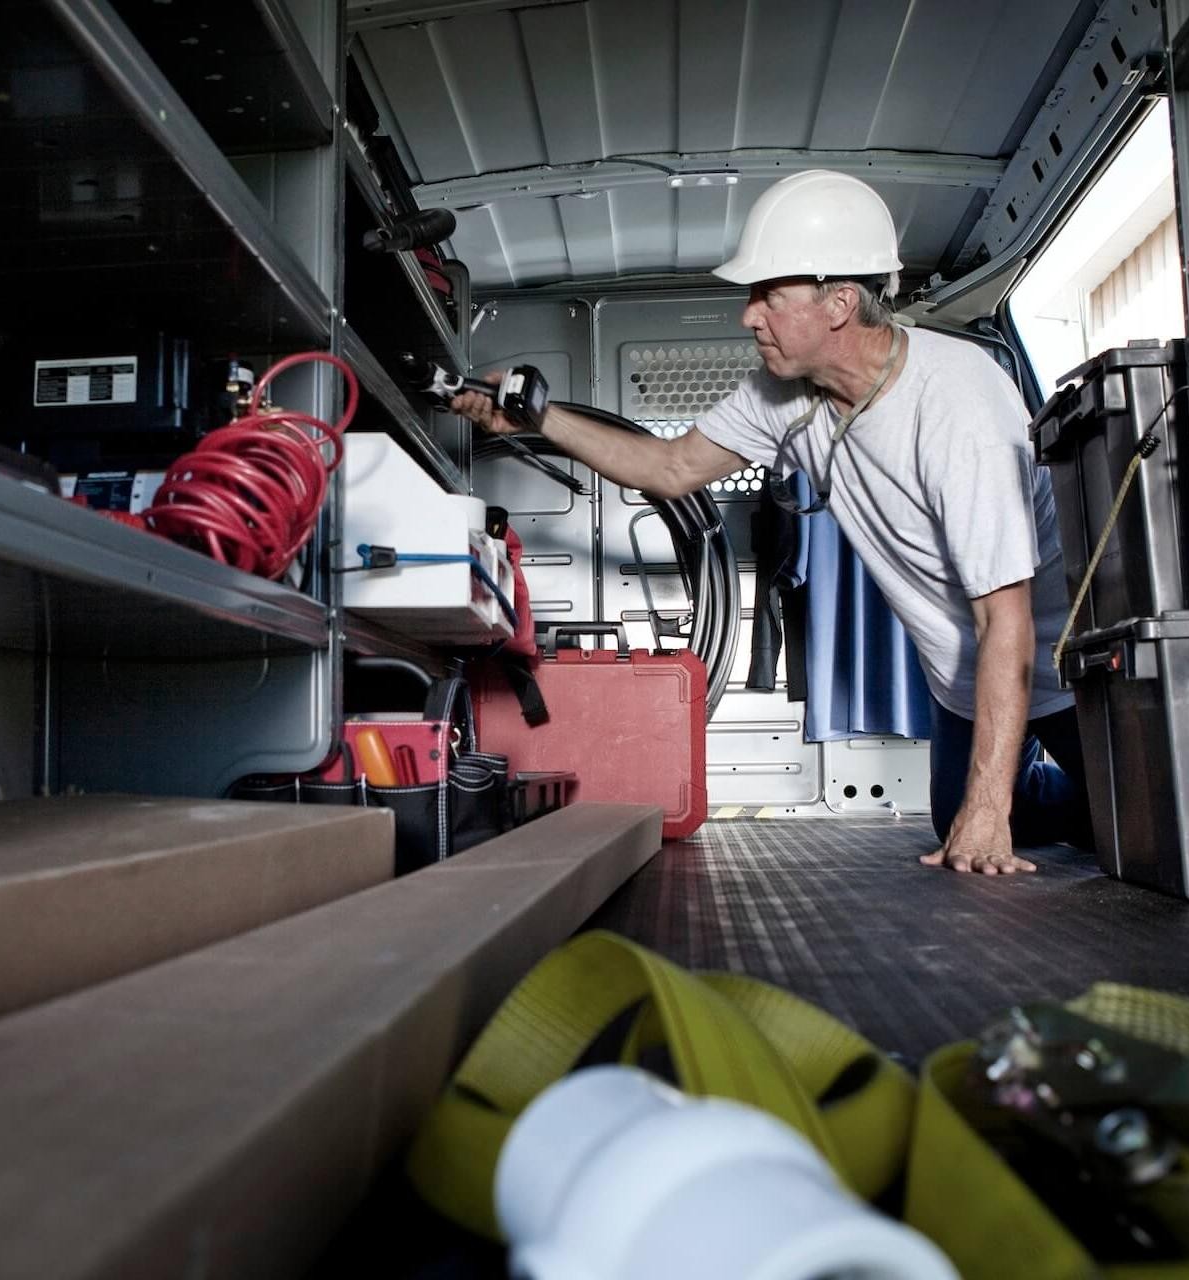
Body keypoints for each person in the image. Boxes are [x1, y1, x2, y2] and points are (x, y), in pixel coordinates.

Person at [451, 169, 1091, 877]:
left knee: (1118, 825)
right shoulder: (780, 394)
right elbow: (668, 469)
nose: (748, 315)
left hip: (1060, 665)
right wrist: (537, 414)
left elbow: (1008, 621)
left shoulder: (959, 405)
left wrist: (989, 811)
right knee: (960, 818)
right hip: (961, 678)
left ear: (841, 302)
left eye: (769, 295)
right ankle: (1010, 795)